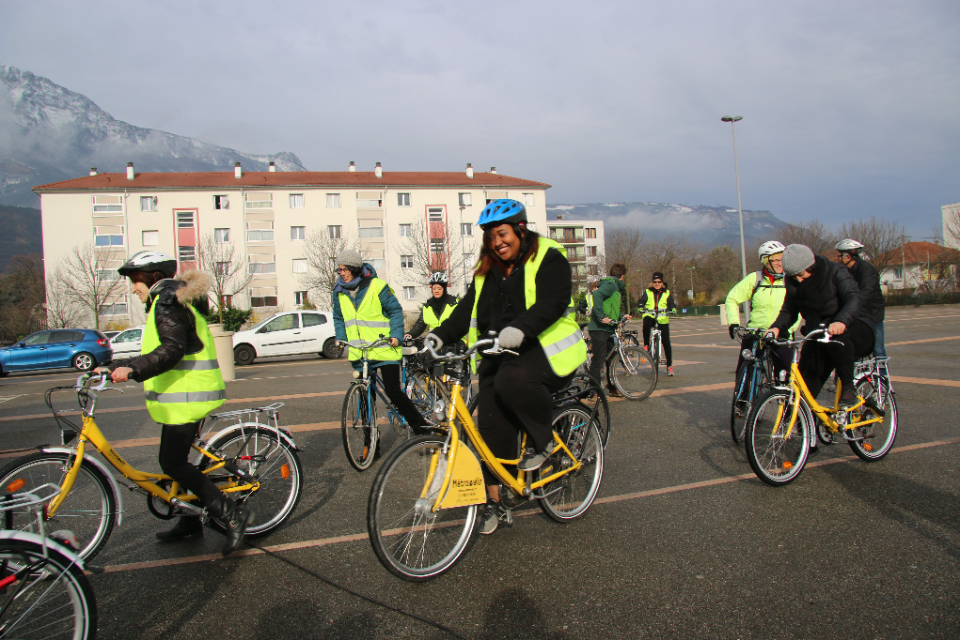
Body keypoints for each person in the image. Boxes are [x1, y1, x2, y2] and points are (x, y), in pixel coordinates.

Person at [428, 199, 587, 535]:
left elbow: (554, 300)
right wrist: (438, 337)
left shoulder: (548, 256)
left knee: (513, 381)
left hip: (542, 346)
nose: (497, 242)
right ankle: (495, 503)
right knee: (490, 431)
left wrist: (522, 327)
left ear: (520, 229)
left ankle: (543, 440)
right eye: (491, 237)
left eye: (502, 234)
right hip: (496, 351)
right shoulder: (487, 270)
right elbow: (465, 309)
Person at [101, 250, 250, 556]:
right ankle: (189, 521)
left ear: (153, 277)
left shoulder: (166, 302)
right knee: (174, 461)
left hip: (187, 397)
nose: (132, 288)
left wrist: (133, 370)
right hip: (183, 396)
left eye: (135, 281)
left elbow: (171, 349)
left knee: (173, 462)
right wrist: (119, 363)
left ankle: (232, 514)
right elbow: (161, 346)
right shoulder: (171, 299)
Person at [768, 244, 875, 452]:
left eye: (801, 274)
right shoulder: (793, 281)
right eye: (794, 277)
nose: (798, 280)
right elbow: (789, 311)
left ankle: (848, 389)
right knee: (804, 387)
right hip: (820, 332)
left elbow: (854, 298)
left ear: (812, 266)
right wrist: (775, 329)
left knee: (838, 340)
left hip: (855, 326)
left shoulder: (835, 272)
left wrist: (842, 321)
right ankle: (809, 439)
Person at [331, 249, 433, 441]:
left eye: (345, 269)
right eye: (340, 270)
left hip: (384, 347)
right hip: (359, 352)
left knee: (393, 391)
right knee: (364, 397)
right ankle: (371, 445)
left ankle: (422, 429)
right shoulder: (338, 292)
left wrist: (396, 335)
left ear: (354, 268)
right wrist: (340, 337)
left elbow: (395, 311)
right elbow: (338, 318)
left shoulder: (377, 286)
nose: (342, 273)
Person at [724, 241, 795, 379]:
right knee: (743, 375)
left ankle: (784, 399)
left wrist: (789, 328)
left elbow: (798, 307)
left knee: (786, 378)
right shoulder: (755, 279)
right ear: (765, 261)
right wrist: (734, 323)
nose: (780, 264)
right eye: (776, 260)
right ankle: (742, 399)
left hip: (780, 334)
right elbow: (732, 298)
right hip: (756, 332)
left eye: (782, 260)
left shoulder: (790, 280)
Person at [835, 239, 887, 373]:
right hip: (857, 315)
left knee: (877, 348)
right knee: (855, 348)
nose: (837, 258)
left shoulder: (867, 269)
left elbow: (866, 293)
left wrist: (851, 306)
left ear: (848, 257)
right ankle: (852, 382)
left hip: (872, 314)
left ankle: (883, 379)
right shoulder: (845, 271)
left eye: (839, 255)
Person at [587, 264, 630, 395]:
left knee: (611, 358)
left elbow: (610, 308)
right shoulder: (611, 285)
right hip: (599, 328)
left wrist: (622, 316)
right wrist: (601, 316)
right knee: (598, 361)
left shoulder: (614, 286)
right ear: (622, 276)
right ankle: (592, 390)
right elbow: (597, 295)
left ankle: (612, 387)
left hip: (607, 328)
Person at [637, 272, 677, 376]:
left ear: (662, 282)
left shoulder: (666, 292)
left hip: (662, 318)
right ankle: (646, 344)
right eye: (655, 282)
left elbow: (671, 302)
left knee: (666, 342)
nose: (657, 284)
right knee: (646, 323)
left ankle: (669, 366)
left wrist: (672, 308)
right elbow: (642, 301)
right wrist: (641, 307)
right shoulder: (648, 291)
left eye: (659, 282)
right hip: (651, 316)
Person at [404, 272, 460, 340]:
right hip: (434, 343)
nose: (436, 291)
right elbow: (420, 325)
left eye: (439, 288)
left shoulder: (454, 303)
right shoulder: (427, 307)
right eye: (434, 288)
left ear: (444, 289)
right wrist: (410, 334)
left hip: (453, 343)